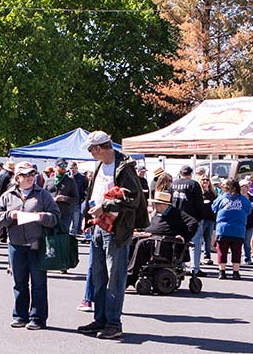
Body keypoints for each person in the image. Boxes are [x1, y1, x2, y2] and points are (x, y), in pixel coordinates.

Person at [77, 131, 147, 341]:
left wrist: (105, 206)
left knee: (114, 278)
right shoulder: (100, 165)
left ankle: (114, 323)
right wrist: (86, 216)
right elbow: (92, 193)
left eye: (91, 150)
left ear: (99, 149)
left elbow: (133, 199)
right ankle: (100, 319)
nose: (90, 154)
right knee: (98, 276)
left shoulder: (124, 167)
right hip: (98, 226)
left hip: (117, 229)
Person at [0, 162, 60, 330]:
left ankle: (37, 318)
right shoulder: (8, 196)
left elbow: (56, 216)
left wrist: (42, 217)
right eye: (26, 175)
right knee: (19, 282)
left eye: (32, 174)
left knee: (38, 282)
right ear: (18, 178)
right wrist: (10, 215)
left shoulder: (43, 195)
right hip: (15, 244)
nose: (31, 177)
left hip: (37, 243)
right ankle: (20, 316)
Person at [129, 190, 197, 277]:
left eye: (157, 204)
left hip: (165, 243)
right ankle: (128, 269)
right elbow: (152, 227)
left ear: (164, 204)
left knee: (141, 244)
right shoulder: (157, 214)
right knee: (132, 241)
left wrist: (184, 237)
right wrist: (140, 231)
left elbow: (193, 223)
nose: (155, 206)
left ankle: (131, 273)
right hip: (152, 238)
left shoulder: (176, 213)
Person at [211, 177, 253, 281]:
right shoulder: (243, 199)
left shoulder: (221, 198)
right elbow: (249, 210)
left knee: (222, 251)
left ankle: (222, 272)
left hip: (223, 229)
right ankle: (236, 272)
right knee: (236, 251)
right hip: (238, 230)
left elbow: (214, 208)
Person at [169, 165, 208, 276]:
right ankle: (195, 268)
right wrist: (201, 217)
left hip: (177, 218)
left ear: (181, 173)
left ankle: (179, 266)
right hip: (192, 218)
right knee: (195, 243)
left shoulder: (173, 184)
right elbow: (199, 203)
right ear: (190, 174)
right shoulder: (194, 184)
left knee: (178, 243)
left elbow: (170, 201)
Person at [49, 160, 80, 243]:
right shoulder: (49, 181)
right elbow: (43, 196)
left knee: (62, 238)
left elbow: (76, 199)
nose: (63, 168)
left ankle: (62, 255)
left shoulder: (70, 181)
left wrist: (64, 198)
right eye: (61, 165)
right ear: (55, 167)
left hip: (64, 214)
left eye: (65, 166)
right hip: (50, 214)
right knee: (50, 237)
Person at [198, 173, 218, 265]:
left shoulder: (213, 193)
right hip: (202, 218)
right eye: (203, 180)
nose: (205, 181)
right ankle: (198, 257)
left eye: (207, 180)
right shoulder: (199, 192)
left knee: (208, 238)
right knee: (199, 238)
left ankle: (207, 256)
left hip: (211, 218)